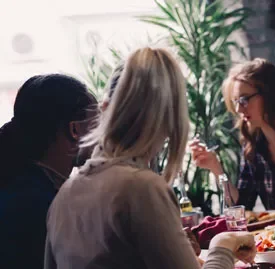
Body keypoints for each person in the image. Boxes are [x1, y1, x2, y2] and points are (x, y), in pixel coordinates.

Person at [44, 47, 255, 269]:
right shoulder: (142, 188)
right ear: (169, 119)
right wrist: (222, 245)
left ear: (106, 110)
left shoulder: (64, 196)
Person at [189, 58, 275, 217]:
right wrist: (216, 169)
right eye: (236, 102)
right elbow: (242, 206)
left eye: (245, 99)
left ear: (270, 94)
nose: (239, 109)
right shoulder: (252, 146)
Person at [0, 74, 97, 269]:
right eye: (97, 124)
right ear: (74, 130)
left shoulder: (22, 184)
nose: (102, 135)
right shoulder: (43, 206)